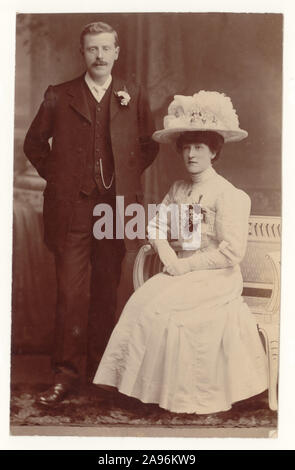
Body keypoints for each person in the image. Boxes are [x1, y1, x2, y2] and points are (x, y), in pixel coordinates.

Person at [93, 91, 268, 414]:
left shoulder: (229, 195)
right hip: (180, 269)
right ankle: (139, 389)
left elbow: (231, 254)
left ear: (214, 151)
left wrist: (186, 268)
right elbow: (156, 227)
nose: (191, 154)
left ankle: (183, 396)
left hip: (216, 277)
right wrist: (171, 258)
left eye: (199, 147)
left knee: (164, 306)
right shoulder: (178, 189)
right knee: (141, 302)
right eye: (186, 147)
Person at [23, 21, 159, 405]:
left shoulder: (134, 93)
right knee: (70, 292)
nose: (99, 56)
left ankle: (102, 373)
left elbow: (149, 146)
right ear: (82, 53)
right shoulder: (58, 95)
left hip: (117, 206)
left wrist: (125, 178)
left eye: (105, 48)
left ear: (117, 52)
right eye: (91, 49)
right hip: (72, 208)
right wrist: (61, 176)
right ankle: (65, 376)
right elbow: (34, 144)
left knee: (106, 290)